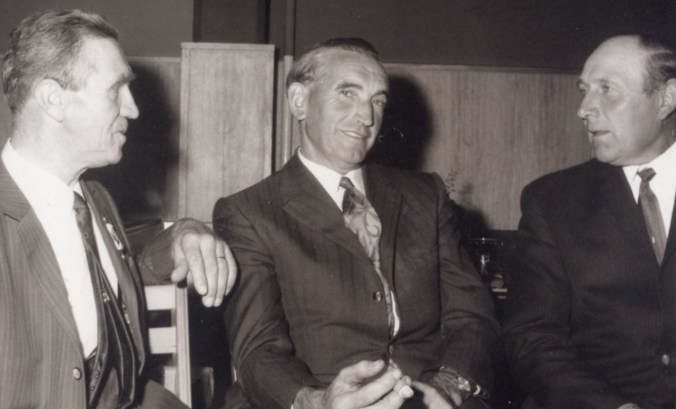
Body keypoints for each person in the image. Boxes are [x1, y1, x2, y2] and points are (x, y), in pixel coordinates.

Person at [213, 37, 500, 409]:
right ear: (299, 101)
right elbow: (258, 350)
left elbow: (472, 315)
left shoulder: (425, 196)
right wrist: (316, 401)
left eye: (377, 101)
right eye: (347, 93)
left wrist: (447, 386)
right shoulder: (250, 212)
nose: (367, 117)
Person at [0, 9, 237, 409]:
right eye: (115, 90)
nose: (133, 109)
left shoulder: (95, 200)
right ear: (53, 100)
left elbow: (112, 283)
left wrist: (182, 234)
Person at [503, 34, 676, 409]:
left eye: (607, 89)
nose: (583, 109)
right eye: (584, 91)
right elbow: (532, 337)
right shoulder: (551, 201)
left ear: (666, 98)